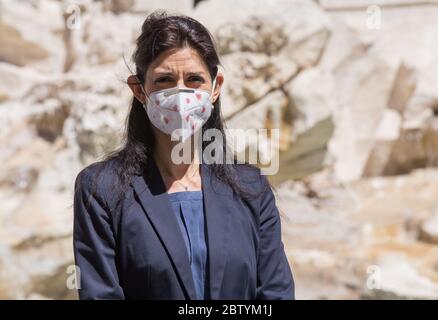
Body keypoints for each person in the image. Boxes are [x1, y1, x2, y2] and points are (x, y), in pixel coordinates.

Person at [73, 10, 295, 300]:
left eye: (194, 79)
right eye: (164, 80)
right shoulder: (101, 189)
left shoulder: (251, 188)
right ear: (139, 90)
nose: (180, 94)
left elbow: (275, 292)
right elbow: (100, 294)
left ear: (215, 88)